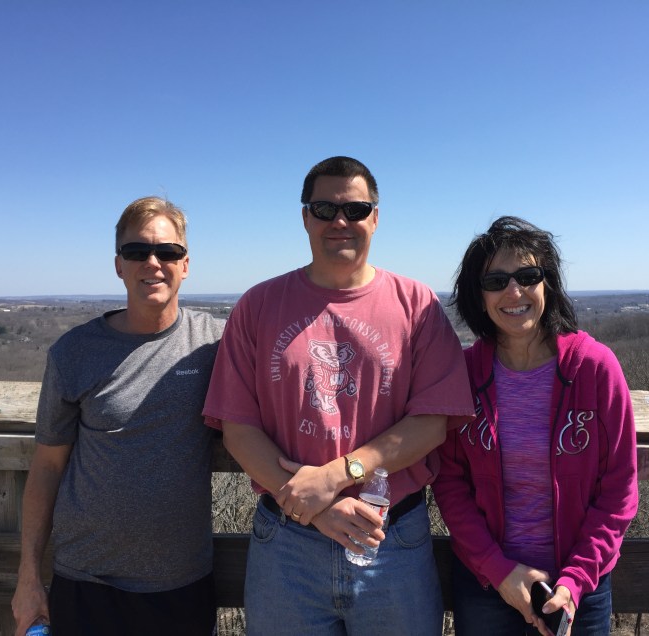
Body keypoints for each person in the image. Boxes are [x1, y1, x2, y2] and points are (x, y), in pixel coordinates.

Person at [202, 156, 475, 635]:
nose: (340, 221)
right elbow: (238, 427)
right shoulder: (258, 305)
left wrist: (336, 476)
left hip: (390, 539)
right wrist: (315, 508)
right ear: (305, 217)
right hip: (287, 543)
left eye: (355, 209)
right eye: (325, 209)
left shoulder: (417, 305)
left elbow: (432, 422)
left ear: (376, 217)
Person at [11, 196, 225, 636]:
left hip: (181, 584)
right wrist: (29, 576)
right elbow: (47, 467)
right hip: (85, 581)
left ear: (186, 265)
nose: (153, 262)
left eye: (168, 252)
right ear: (118, 265)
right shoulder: (74, 352)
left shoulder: (217, 344)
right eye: (137, 251)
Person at [432, 216, 638, 635]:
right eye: (496, 281)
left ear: (548, 284)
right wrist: (498, 570)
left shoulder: (595, 368)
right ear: (479, 295)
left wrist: (575, 580)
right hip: (487, 583)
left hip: (578, 588)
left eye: (528, 276)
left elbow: (620, 488)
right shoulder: (465, 375)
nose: (514, 292)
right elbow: (451, 484)